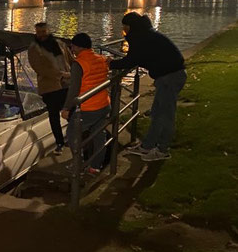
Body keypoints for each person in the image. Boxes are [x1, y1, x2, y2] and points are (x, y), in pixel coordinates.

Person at [109, 12, 186, 161]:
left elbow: (131, 60)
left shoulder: (139, 39)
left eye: (124, 26)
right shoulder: (146, 34)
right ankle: (148, 146)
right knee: (157, 113)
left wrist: (110, 64)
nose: (123, 29)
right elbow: (137, 58)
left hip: (169, 77)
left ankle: (162, 150)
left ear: (130, 26)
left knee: (165, 115)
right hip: (169, 75)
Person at [61, 33, 111, 175]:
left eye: (73, 46)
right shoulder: (101, 59)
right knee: (99, 135)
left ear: (77, 47)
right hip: (103, 104)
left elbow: (74, 89)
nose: (72, 49)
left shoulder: (79, 63)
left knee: (72, 133)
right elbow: (92, 75)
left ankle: (78, 164)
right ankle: (95, 166)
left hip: (88, 107)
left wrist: (66, 108)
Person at [28, 22, 73, 154]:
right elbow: (39, 68)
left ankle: (71, 138)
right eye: (39, 32)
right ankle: (59, 142)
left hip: (67, 84)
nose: (42, 35)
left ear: (49, 31)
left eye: (44, 32)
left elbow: (70, 59)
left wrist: (76, 70)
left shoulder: (60, 44)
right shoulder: (34, 49)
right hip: (50, 87)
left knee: (71, 113)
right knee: (54, 116)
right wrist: (60, 75)